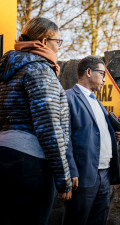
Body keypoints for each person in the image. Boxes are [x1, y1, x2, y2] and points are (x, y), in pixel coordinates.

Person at [0, 17, 72, 225]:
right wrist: (63, 179)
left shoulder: (6, 71)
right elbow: (49, 127)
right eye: (57, 42)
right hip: (29, 163)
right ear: (42, 42)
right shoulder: (40, 70)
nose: (58, 48)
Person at [64, 55, 120, 225]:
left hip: (104, 175)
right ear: (89, 72)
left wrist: (119, 136)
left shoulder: (97, 102)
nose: (105, 80)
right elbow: (64, 138)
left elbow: (98, 133)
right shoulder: (68, 98)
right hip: (83, 176)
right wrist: (71, 171)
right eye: (102, 74)